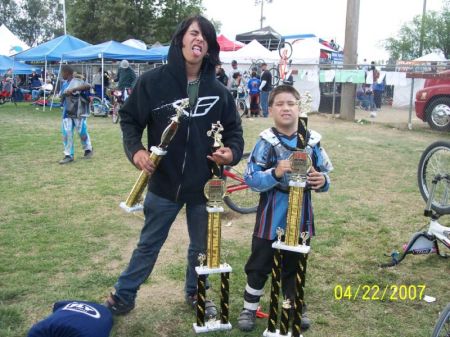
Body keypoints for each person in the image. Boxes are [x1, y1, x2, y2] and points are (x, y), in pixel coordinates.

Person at [105, 15, 244, 318]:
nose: (199, 40)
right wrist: (137, 150)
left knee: (199, 247)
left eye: (205, 38)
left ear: (209, 49)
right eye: (194, 34)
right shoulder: (152, 82)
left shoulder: (219, 91)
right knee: (148, 244)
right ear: (181, 38)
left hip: (204, 186)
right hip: (164, 184)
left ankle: (195, 292)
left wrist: (230, 152)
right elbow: (129, 119)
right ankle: (124, 296)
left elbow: (234, 132)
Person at [236, 85, 333, 332]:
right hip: (271, 216)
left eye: (291, 103)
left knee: (294, 263)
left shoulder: (312, 141)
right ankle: (249, 307)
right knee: (259, 264)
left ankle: (293, 305)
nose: (286, 108)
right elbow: (251, 179)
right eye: (280, 104)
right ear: (271, 110)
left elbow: (323, 175)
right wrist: (276, 172)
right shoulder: (265, 141)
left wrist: (322, 182)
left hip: (301, 217)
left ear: (299, 108)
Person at [59, 65, 93, 164]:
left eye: (62, 73)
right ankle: (68, 155)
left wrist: (73, 90)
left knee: (82, 131)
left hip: (78, 111)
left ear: (67, 73)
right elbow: (62, 97)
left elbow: (88, 86)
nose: (62, 75)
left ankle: (88, 149)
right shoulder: (64, 84)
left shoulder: (76, 81)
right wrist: (63, 97)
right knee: (67, 133)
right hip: (67, 112)